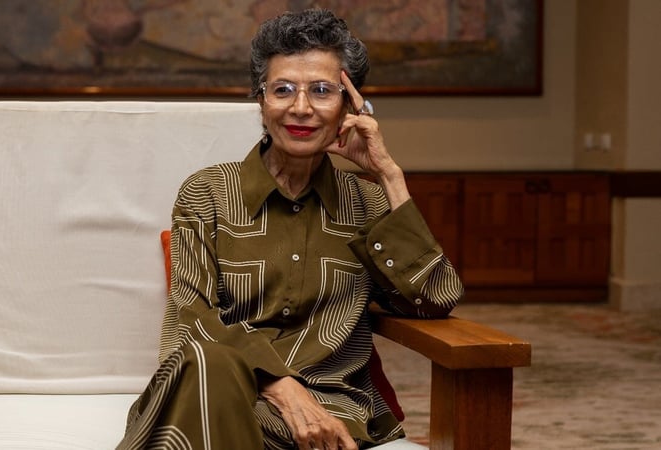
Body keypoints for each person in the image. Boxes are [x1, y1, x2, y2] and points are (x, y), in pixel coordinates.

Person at [117, 8, 463, 450]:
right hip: (222, 396)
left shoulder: (369, 202)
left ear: (351, 107)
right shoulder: (208, 193)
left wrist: (389, 175)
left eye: (322, 90)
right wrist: (280, 385)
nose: (301, 108)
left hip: (330, 412)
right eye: (282, 90)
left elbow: (435, 299)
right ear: (261, 103)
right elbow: (190, 323)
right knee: (207, 368)